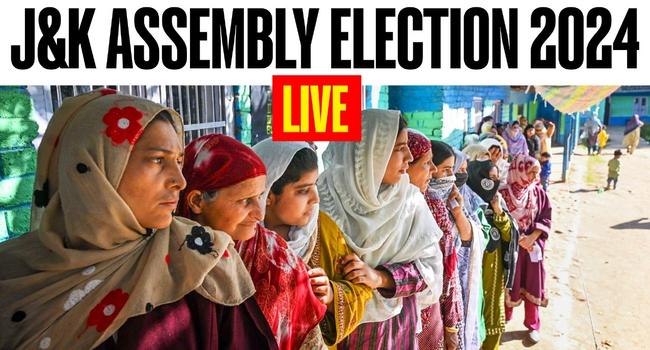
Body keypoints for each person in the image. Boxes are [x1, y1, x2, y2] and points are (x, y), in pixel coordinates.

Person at [0, 90, 278, 349]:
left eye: (179, 160)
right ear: (95, 169)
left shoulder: (202, 261)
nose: (179, 181)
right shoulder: (13, 273)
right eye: (158, 160)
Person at [178, 134, 326, 350]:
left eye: (259, 197)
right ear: (197, 200)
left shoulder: (277, 258)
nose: (259, 213)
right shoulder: (164, 258)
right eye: (245, 200)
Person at [317, 109, 444, 349]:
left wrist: (381, 277)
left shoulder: (410, 202)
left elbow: (431, 271)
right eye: (399, 148)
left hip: (392, 330)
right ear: (369, 152)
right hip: (334, 328)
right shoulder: (322, 198)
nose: (408, 156)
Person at [252, 138, 374, 348]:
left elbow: (360, 290)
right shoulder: (244, 238)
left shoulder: (324, 230)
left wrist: (331, 293)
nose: (315, 198)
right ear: (268, 194)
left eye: (315, 186)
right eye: (303, 190)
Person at [465, 159, 518, 350]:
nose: (494, 183)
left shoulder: (498, 203)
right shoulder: (467, 207)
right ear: (477, 178)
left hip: (494, 285)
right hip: (473, 284)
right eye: (490, 178)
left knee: (492, 332)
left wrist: (498, 212)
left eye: (497, 178)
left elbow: (509, 235)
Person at [425, 140, 473, 350]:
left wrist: (457, 210)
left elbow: (467, 237)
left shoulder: (449, 200)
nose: (452, 177)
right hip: (428, 296)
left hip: (450, 290)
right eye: (446, 170)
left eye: (453, 170)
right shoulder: (420, 202)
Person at [501, 154, 552, 345]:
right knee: (509, 284)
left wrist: (531, 238)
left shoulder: (538, 193)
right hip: (510, 249)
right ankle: (503, 320)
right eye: (530, 172)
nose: (533, 177)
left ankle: (533, 325)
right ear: (518, 170)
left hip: (531, 248)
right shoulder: (503, 193)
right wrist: (515, 238)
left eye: (536, 173)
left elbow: (546, 217)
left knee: (533, 285)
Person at [405, 130, 445, 350]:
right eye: (426, 163)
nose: (435, 170)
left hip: (427, 313)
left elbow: (435, 268)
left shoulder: (426, 203)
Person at [452, 148, 488, 350]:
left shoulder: (468, 197)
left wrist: (458, 212)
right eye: (457, 169)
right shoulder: (425, 201)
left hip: (465, 278)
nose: (462, 175)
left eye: (465, 169)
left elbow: (475, 237)